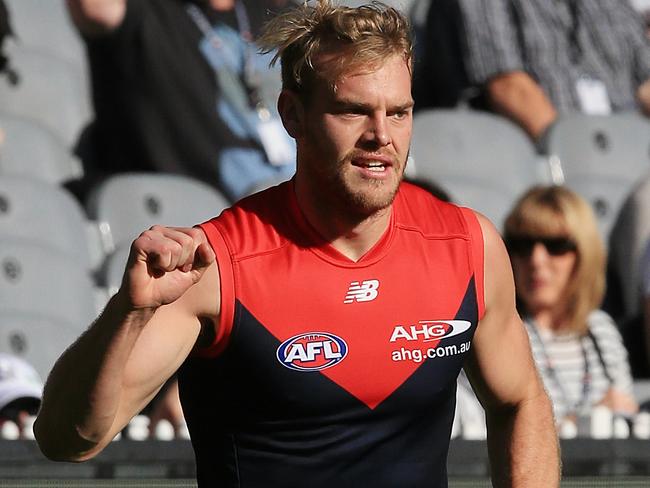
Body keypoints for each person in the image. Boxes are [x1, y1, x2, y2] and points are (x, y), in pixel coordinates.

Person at [35, 2, 559, 486]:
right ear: (292, 115)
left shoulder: (466, 244)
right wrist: (127, 314)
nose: (382, 136)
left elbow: (521, 399)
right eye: (353, 111)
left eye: (398, 112)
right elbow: (68, 439)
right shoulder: (217, 266)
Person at [66, 0, 297, 202]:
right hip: (194, 224)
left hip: (295, 217)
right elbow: (95, 9)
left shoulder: (280, 16)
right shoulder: (146, 14)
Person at [503, 185, 638, 427]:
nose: (537, 260)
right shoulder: (500, 333)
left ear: (584, 253)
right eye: (522, 245)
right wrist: (587, 422)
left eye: (556, 245)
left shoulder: (600, 329)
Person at [456, 0, 650, 142]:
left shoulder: (612, 6)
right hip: (543, 164)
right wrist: (576, 152)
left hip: (625, 151)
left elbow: (645, 80)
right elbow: (507, 86)